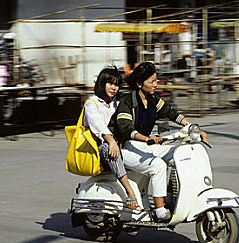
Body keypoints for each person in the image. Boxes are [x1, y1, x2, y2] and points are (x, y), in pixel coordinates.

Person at [114, 62, 207, 221]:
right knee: (158, 165)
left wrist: (193, 128)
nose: (156, 84)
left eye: (156, 80)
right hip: (127, 148)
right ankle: (159, 209)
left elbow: (171, 113)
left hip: (146, 146)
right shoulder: (128, 101)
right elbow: (125, 128)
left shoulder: (152, 100)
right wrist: (146, 138)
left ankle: (171, 196)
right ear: (139, 83)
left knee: (177, 153)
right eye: (152, 81)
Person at [83, 66, 139, 209]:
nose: (114, 88)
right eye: (110, 83)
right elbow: (98, 126)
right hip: (98, 149)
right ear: (102, 83)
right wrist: (112, 141)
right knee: (109, 148)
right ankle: (129, 191)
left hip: (118, 144)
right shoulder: (92, 103)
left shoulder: (117, 104)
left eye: (117, 85)